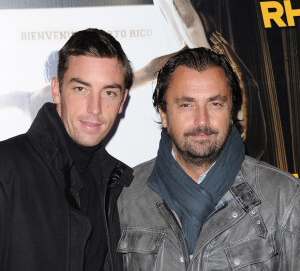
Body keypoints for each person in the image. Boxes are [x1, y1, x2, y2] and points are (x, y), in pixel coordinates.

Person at [118, 47, 300, 270]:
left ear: (231, 111)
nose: (201, 120)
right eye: (187, 104)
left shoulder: (284, 198)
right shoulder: (125, 197)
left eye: (215, 104)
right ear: (164, 114)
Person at [0, 28, 134, 271]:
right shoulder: (7, 167)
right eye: (81, 89)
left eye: (109, 92)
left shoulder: (120, 185)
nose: (95, 108)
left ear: (122, 102)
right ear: (56, 90)